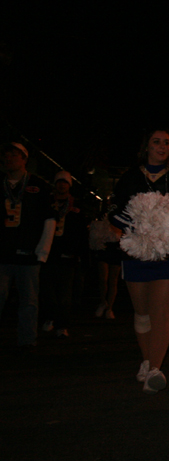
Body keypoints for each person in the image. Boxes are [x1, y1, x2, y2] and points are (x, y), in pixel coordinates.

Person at [108, 129, 169, 394]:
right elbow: (115, 215)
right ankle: (147, 359)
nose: (162, 146)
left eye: (167, 143)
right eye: (156, 141)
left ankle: (154, 370)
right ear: (146, 146)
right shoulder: (129, 178)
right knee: (142, 313)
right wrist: (145, 226)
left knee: (160, 314)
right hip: (137, 252)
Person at [0, 142, 56, 350]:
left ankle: (27, 341)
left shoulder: (39, 186)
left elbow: (49, 220)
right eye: (6, 156)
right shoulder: (1, 183)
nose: (9, 159)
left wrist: (42, 251)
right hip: (2, 253)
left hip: (28, 254)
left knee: (29, 301)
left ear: (24, 159)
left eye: (14, 156)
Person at [40, 171, 87, 338]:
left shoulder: (76, 206)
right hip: (48, 252)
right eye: (59, 182)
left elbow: (82, 232)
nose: (61, 185)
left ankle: (62, 324)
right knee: (48, 291)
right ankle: (50, 318)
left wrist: (79, 253)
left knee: (65, 293)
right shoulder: (46, 203)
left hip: (68, 255)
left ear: (69, 186)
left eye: (65, 183)